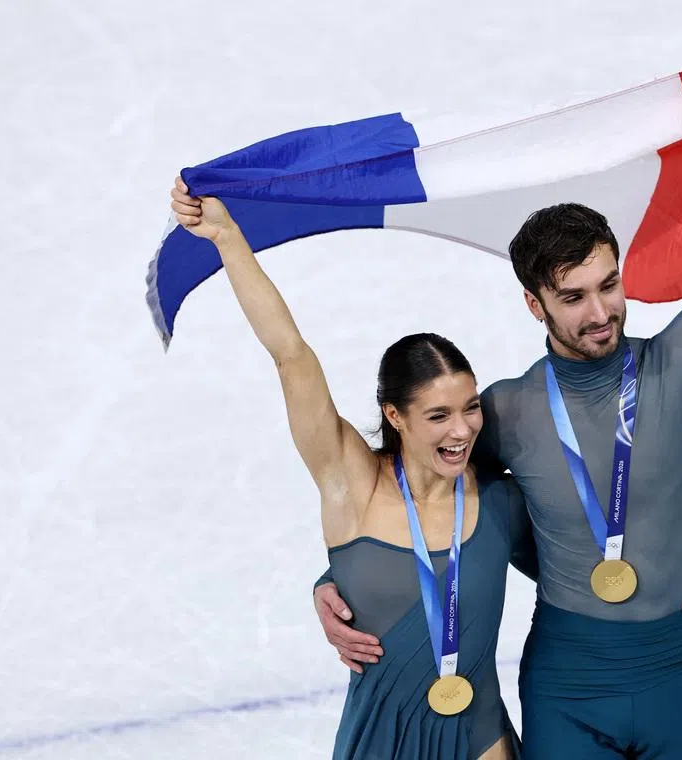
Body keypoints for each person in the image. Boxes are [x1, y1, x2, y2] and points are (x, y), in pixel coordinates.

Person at [315, 8, 682, 758]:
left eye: (609, 286)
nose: (600, 312)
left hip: (679, 672)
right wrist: (338, 586)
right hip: (567, 684)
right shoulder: (509, 411)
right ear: (535, 303)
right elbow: (424, 504)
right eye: (574, 296)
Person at [169, 180, 541, 757]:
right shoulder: (352, 486)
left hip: (481, 740)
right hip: (379, 744)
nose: (463, 429)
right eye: (438, 414)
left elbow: (583, 573)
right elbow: (292, 354)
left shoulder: (498, 499)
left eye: (470, 408)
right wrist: (227, 239)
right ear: (395, 416)